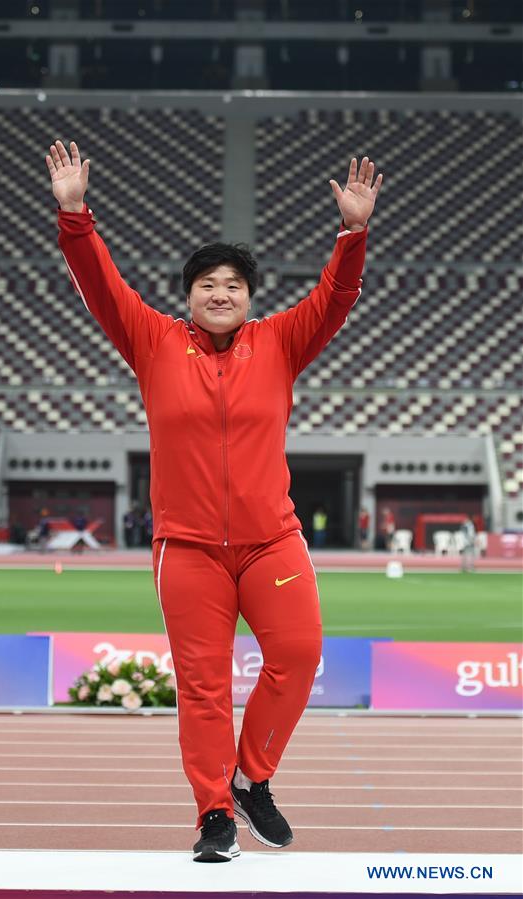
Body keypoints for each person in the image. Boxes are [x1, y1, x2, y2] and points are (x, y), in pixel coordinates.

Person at [47, 139, 382, 862]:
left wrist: (351, 235)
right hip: (188, 546)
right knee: (202, 688)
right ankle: (213, 814)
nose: (220, 292)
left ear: (250, 297)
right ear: (188, 294)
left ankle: (252, 778)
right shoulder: (153, 341)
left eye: (233, 283)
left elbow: (335, 299)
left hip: (271, 540)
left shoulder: (281, 342)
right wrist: (74, 214)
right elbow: (101, 286)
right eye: (207, 283)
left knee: (297, 652)